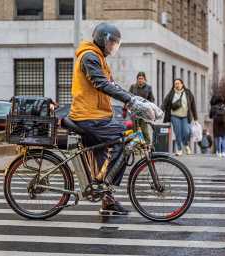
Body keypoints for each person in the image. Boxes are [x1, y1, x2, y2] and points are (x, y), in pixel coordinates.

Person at [69, 23, 149, 216]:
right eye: (112, 42)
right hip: (88, 116)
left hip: (97, 116)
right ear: (102, 39)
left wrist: (134, 100)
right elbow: (101, 83)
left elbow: (112, 84)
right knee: (121, 139)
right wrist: (129, 99)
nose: (113, 46)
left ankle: (107, 199)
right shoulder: (89, 56)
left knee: (103, 156)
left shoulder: (99, 58)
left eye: (116, 43)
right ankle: (106, 187)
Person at [162, 78, 198, 156]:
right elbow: (165, 102)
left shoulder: (188, 92)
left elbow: (193, 105)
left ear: (182, 84)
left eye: (178, 83)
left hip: (185, 116)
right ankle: (179, 149)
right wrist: (160, 110)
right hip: (174, 116)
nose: (177, 85)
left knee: (186, 131)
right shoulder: (171, 93)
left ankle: (185, 144)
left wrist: (195, 118)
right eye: (175, 84)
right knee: (177, 133)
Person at [129, 72, 155, 144]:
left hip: (144, 112)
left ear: (144, 79)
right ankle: (136, 146)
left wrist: (149, 107)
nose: (140, 80)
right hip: (135, 111)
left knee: (144, 130)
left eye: (142, 79)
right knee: (135, 130)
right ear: (137, 79)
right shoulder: (133, 87)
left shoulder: (148, 87)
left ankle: (147, 145)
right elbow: (128, 97)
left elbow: (152, 99)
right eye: (139, 78)